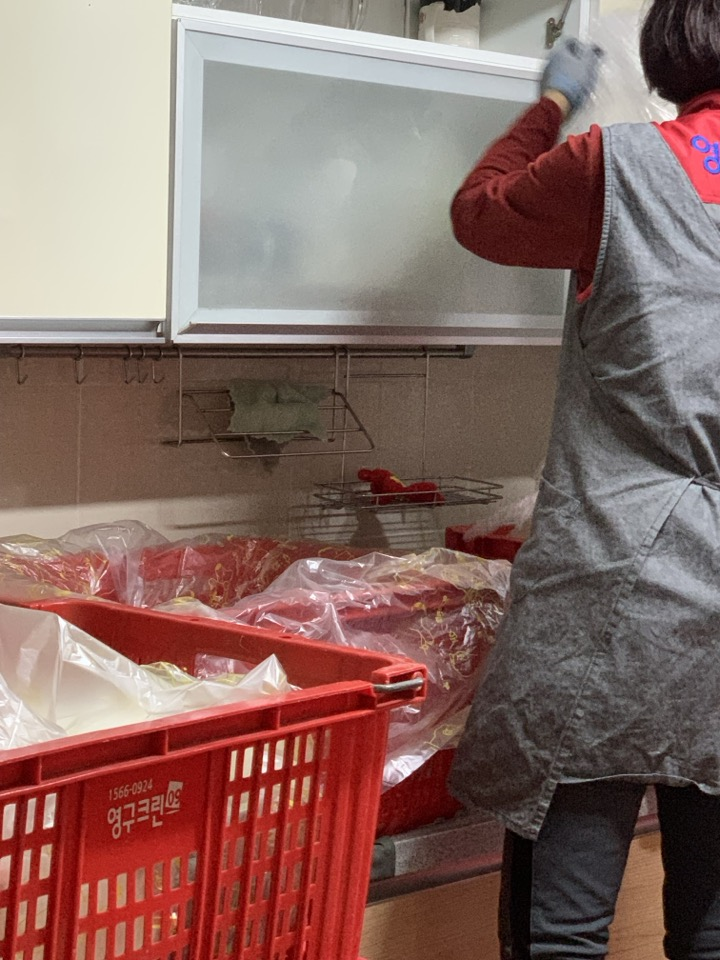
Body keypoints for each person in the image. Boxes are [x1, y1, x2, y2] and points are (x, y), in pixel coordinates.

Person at [446, 2, 720, 958]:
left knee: (560, 933)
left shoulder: (615, 164)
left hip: (614, 588)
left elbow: (479, 214)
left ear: (672, 49)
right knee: (713, 926)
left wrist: (552, 101)